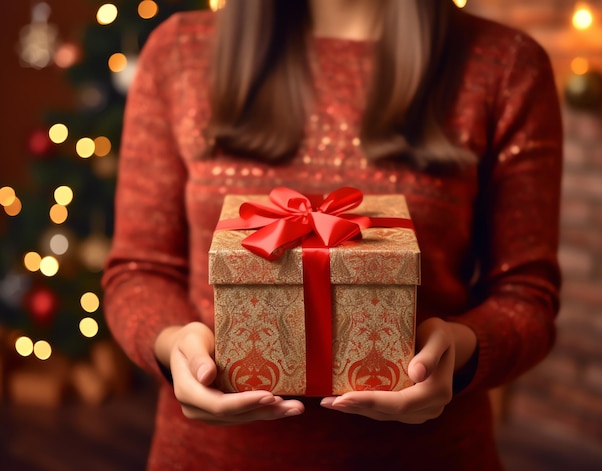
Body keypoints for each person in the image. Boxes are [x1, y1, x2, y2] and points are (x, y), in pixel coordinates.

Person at [102, 0, 563, 469]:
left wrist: (461, 350)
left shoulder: (505, 62)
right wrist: (173, 345)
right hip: (207, 455)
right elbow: (138, 271)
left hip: (430, 453)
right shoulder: (179, 50)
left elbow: (527, 295)